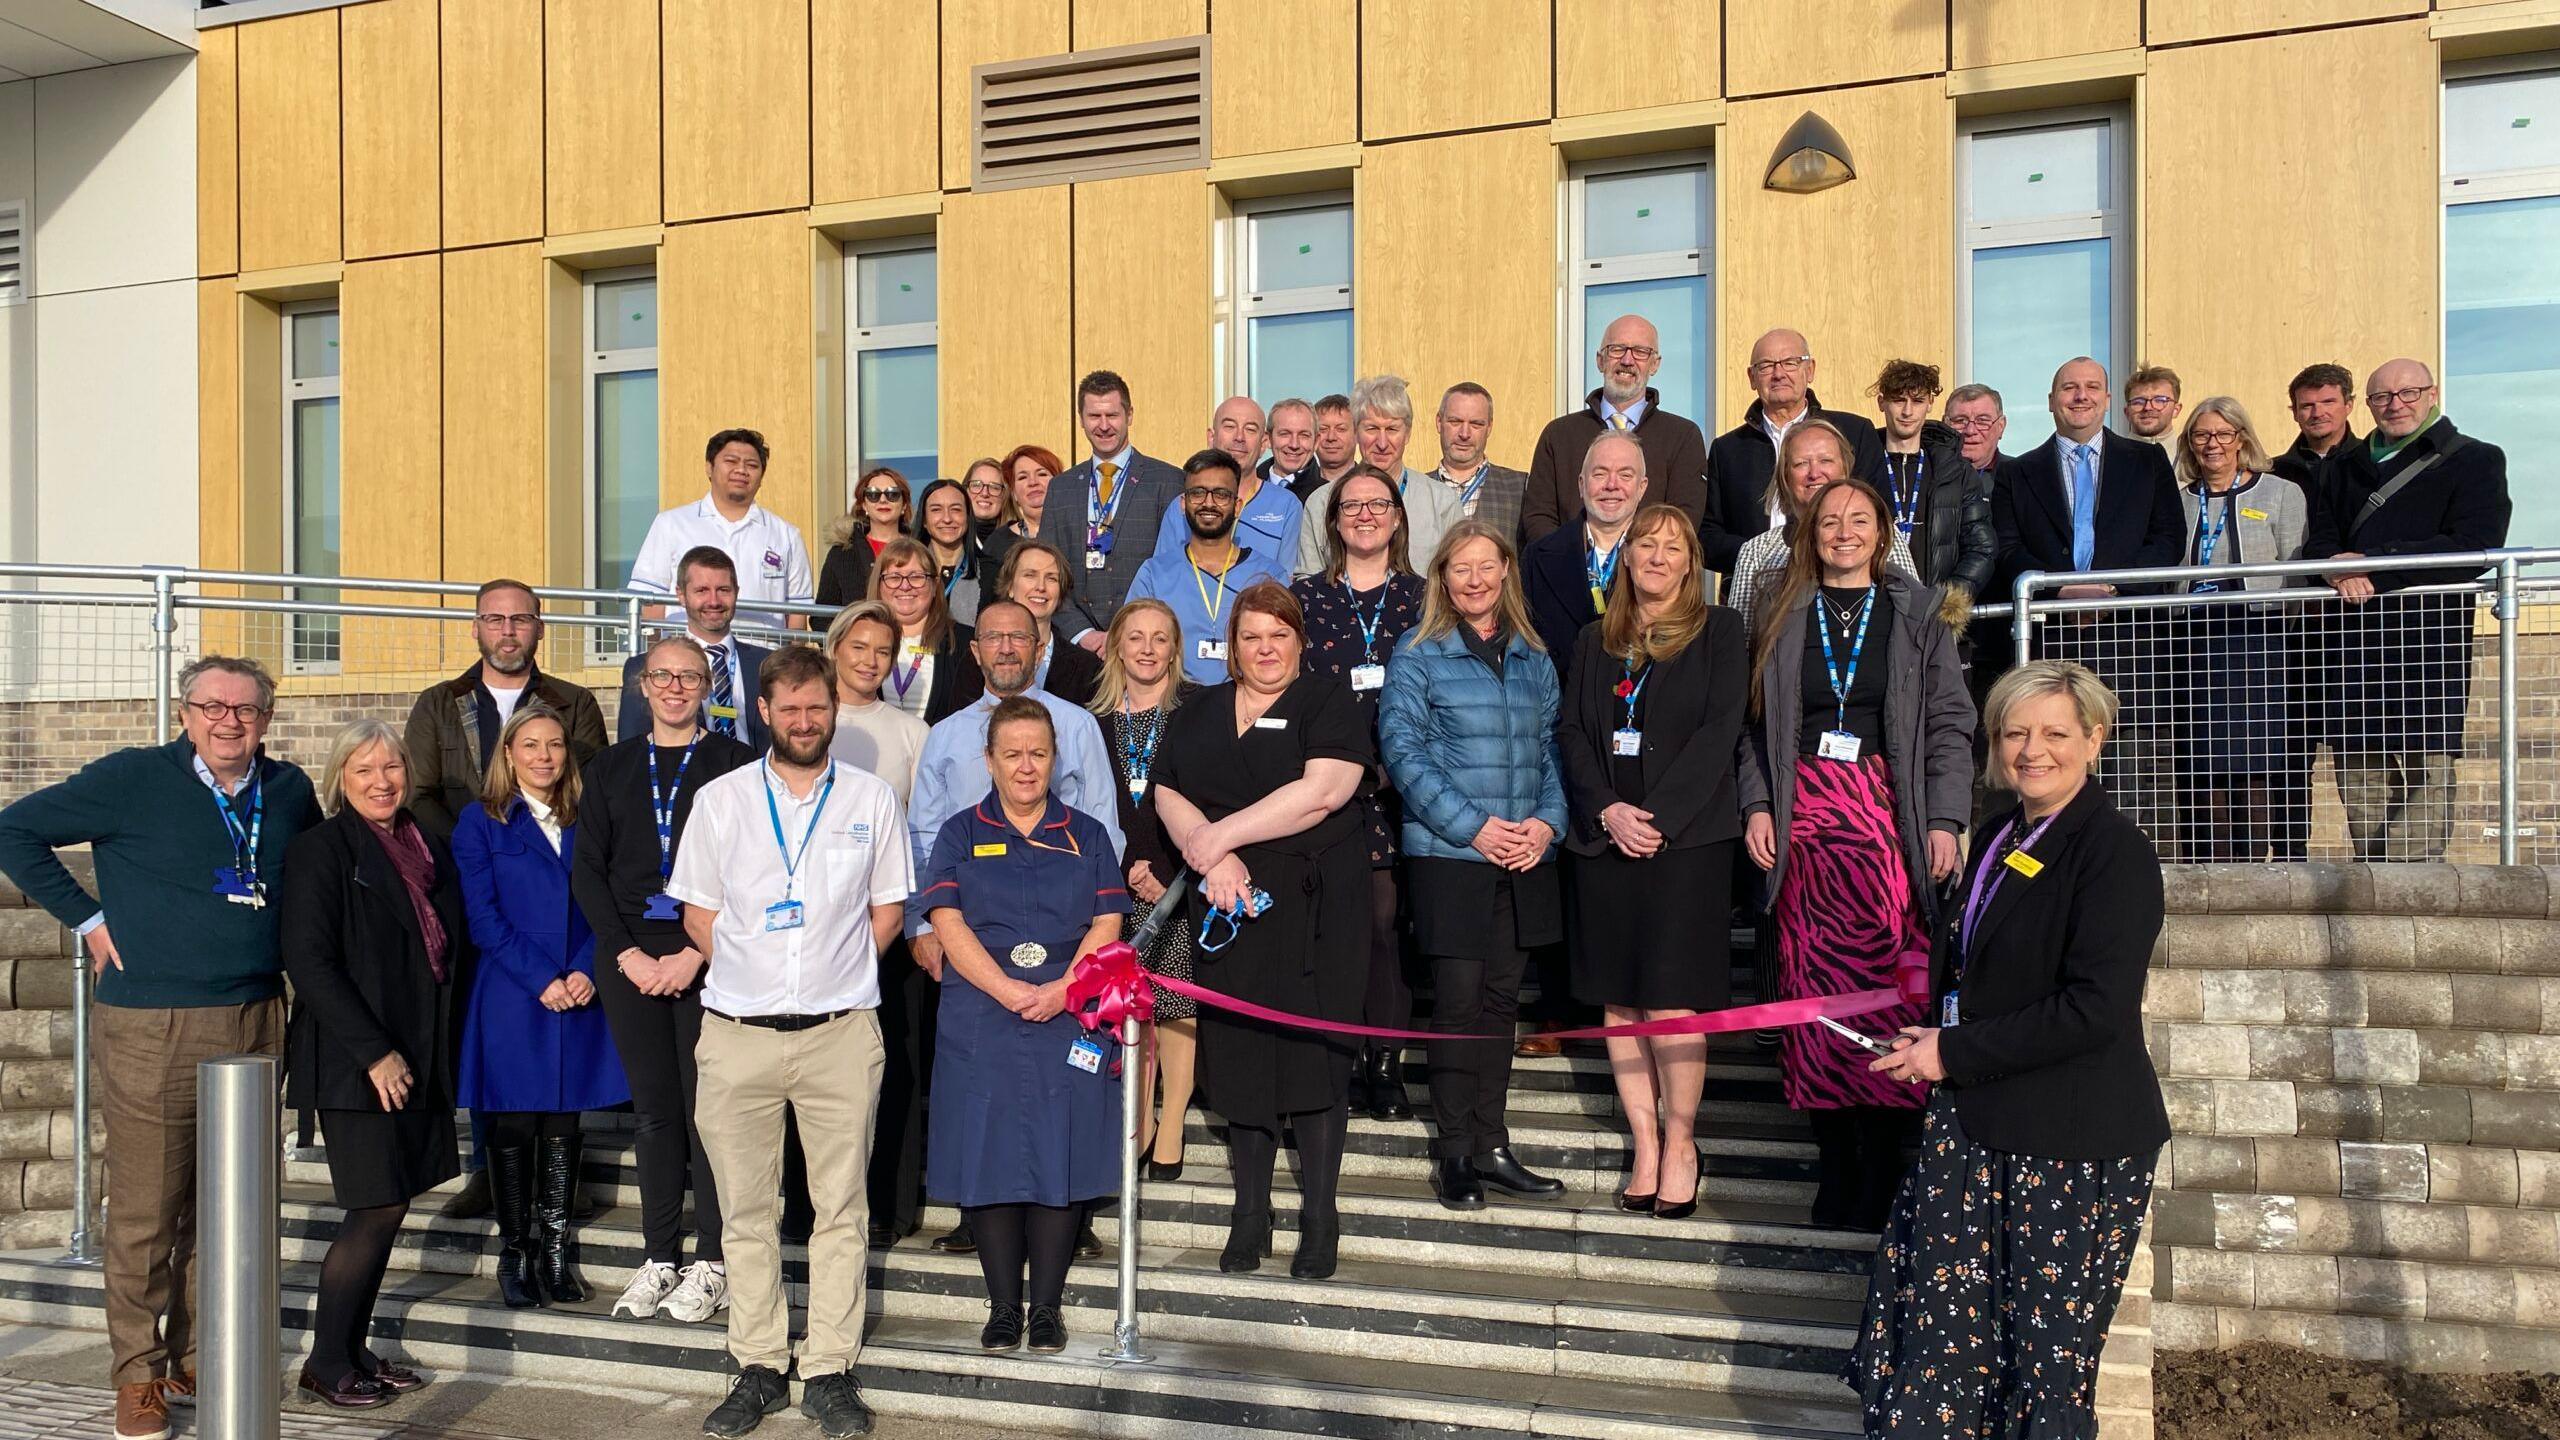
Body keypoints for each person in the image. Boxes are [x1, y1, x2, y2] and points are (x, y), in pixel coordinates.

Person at [0, 656, 321, 1440]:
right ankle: (137, 1377)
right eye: (210, 707)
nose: (227, 721)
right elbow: (14, 831)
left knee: (230, 1209)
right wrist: (87, 919)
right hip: (153, 1022)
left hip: (255, 1015)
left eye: (244, 710)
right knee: (147, 1210)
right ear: (185, 714)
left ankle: (204, 1357)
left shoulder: (288, 793)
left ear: (266, 719)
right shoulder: (131, 779)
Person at [1854, 661, 2166, 1440]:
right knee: (1943, 1336)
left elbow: (2094, 1011)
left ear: (2094, 738)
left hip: (2064, 1141)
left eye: (2055, 733)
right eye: (2015, 733)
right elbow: (1976, 965)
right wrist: (1933, 1035)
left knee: (2038, 1359)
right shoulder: (1998, 829)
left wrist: (1953, 1053)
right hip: (1976, 1122)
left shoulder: (2114, 853)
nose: (2033, 750)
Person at [667, 645, 911, 1440]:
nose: (805, 721)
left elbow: (887, 913)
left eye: (818, 707)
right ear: (763, 711)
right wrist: (763, 969)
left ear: (834, 709)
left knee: (841, 1206)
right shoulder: (722, 800)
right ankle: (760, 1364)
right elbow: (698, 913)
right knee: (743, 1208)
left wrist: (830, 976)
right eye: (791, 708)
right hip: (737, 1034)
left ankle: (831, 1368)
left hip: (840, 1035)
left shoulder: (872, 799)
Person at [1739, 479, 1973, 1231]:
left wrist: (1944, 818)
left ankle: (1890, 1165)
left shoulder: (1918, 614)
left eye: (1858, 521)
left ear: (1881, 534)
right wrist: (1756, 804)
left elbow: (1947, 725)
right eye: (1829, 522)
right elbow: (1750, 731)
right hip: (1802, 829)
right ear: (1809, 534)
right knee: (1813, 997)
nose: (1842, 532)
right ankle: (1837, 1163)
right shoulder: (1779, 613)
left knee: (1890, 990)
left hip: (1886, 827)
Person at [1152, 582, 1372, 1279]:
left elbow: (1324, 791)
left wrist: (1220, 840)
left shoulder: (1328, 701)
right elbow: (1167, 789)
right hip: (1225, 906)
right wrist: (1214, 856)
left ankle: (1319, 1216)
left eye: (1279, 635)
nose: (1266, 648)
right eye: (1251, 637)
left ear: (1300, 641)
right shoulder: (1201, 709)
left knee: (1314, 1057)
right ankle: (1250, 1212)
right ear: (1232, 648)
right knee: (1241, 1056)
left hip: (1314, 907)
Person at [904, 598, 1126, 1258]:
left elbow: (1101, 825)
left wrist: (1087, 956)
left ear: (1040, 648)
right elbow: (924, 831)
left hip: (1067, 947)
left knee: (1066, 1091)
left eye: (1018, 638)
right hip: (973, 947)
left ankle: (1070, 1213)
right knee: (983, 1089)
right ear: (975, 651)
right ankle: (980, 1214)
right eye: (993, 637)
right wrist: (923, 925)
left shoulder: (1078, 724)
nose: (1005, 647)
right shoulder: (945, 734)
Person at [918, 697, 1130, 1354]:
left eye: (1038, 752)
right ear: (989, 760)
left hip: (1068, 1013)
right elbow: (946, 924)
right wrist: (1009, 989)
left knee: (1058, 1153)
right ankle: (1003, 1308)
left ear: (1054, 756)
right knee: (988, 1154)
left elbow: (1106, 922)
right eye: (1012, 753)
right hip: (983, 1013)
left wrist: (1064, 989)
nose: (1026, 766)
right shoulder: (958, 832)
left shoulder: (1087, 835)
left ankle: (1047, 1310)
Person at [1555, 505, 1747, 1223]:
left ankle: (1681, 1142)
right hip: (1605, 841)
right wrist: (1608, 811)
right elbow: (1572, 732)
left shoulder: (1720, 631)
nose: (1658, 557)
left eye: (1673, 547)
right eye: (1645, 545)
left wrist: (1657, 820)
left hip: (1685, 845)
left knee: (1669, 999)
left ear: (1692, 560)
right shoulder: (1592, 638)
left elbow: (1720, 729)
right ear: (1625, 558)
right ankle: (1641, 1140)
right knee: (1619, 999)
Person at [1380, 520, 1570, 1212]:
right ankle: (1455, 1151)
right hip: (1452, 858)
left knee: (1499, 1007)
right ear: (1442, 579)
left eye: (1486, 567)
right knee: (1459, 1006)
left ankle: (1493, 1142)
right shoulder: (1420, 653)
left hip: (1522, 860)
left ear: (1506, 573)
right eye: (1460, 568)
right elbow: (1403, 754)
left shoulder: (1533, 656)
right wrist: (1475, 827)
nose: (1475, 580)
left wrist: (1547, 826)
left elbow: (1553, 752)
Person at [277, 721, 462, 1409]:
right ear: (340, 780)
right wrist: (374, 1052)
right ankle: (326, 1362)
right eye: (364, 770)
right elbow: (311, 962)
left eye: (391, 768)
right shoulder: (322, 851)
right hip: (359, 1061)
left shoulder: (424, 846)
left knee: (392, 1204)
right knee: (373, 1205)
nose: (382, 781)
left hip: (415, 1051)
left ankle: (354, 1350)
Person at [574, 636, 757, 1322]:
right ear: (642, 686)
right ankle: (659, 1256)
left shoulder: (737, 764)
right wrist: (625, 955)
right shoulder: (611, 766)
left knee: (707, 1112)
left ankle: (712, 1259)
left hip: (708, 957)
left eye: (689, 676)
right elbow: (589, 870)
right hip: (629, 960)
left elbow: (750, 871)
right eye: (663, 676)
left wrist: (693, 953)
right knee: (653, 1111)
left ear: (708, 685)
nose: (676, 687)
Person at [450, 707, 630, 1310]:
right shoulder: (481, 823)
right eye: (531, 745)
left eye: (555, 744)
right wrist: (541, 978)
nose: (545, 756)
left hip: (579, 985)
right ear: (508, 753)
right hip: (513, 989)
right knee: (513, 1120)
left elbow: (606, 901)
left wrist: (584, 967)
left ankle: (554, 1254)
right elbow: (483, 918)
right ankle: (514, 1252)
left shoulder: (588, 818)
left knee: (563, 1121)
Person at [2305, 358, 2512, 861]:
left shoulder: (2475, 460)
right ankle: (2375, 881)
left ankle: (2415, 884)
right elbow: (2321, 538)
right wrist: (2338, 571)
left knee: (2428, 767)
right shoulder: (2345, 466)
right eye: (2382, 397)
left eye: (2408, 393)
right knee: (2359, 769)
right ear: (2367, 404)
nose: (2395, 404)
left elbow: (2473, 545)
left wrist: (2372, 566)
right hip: (2350, 643)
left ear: (2432, 393)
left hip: (2428, 642)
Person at [1289, 466, 1426, 1120]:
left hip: (1405, 791)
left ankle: (1386, 1062)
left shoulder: (1427, 599)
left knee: (1385, 929)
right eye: (1352, 505)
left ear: (1397, 517)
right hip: (1326, 788)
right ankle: (1339, 1055)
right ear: (1334, 520)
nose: (1365, 515)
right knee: (1334, 930)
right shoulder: (1304, 598)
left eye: (1379, 504)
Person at [818, 602, 933, 1245]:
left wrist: (909, 923)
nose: (869, 660)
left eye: (883, 651)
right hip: (811, 934)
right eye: (858, 647)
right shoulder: (807, 723)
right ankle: (811, 1206)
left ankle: (889, 1205)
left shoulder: (911, 732)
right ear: (835, 648)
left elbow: (922, 832)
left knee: (895, 1065)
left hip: (887, 925)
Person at [2167, 398, 2311, 863]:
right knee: (2202, 758)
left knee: (2252, 758)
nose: (2212, 445)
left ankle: (2250, 861)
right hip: (2193, 636)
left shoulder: (2280, 492)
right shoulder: (2179, 498)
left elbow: (2296, 569)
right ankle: (2209, 859)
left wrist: (2276, 622)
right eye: (2201, 435)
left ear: (2242, 438)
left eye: (2222, 434)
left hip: (2255, 635)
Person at [1091, 600, 1203, 1176]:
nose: (1147, 648)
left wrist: (1164, 872)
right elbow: (1089, 805)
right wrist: (1128, 867)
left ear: (1174, 649)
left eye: (1160, 638)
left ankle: (1175, 1121)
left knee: (1176, 1006)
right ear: (1117, 646)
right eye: (1135, 637)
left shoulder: (1200, 712)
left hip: (1181, 883)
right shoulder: (1093, 721)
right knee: (1127, 1013)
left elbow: (1207, 798)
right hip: (1116, 888)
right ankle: (1139, 1118)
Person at [405, 578, 609, 840]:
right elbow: (417, 793)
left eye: (521, 619)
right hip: (458, 863)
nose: (507, 630)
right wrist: (468, 843)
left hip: (549, 861)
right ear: (476, 628)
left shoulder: (575, 703)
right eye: (494, 619)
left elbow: (588, 791)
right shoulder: (437, 703)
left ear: (540, 629)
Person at [1700, 328, 1886, 576]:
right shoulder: (1727, 449)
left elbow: (1881, 513)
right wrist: (1760, 556)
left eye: (1790, 363)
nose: (1779, 374)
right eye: (1766, 366)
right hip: (1756, 586)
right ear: (1752, 377)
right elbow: (1708, 537)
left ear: (1810, 370)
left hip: (1841, 580)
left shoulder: (1854, 432)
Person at [1523, 315, 1711, 541]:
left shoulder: (1682, 437)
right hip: (1569, 572)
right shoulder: (1559, 435)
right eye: (1617, 349)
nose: (1627, 360)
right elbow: (1538, 517)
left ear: (1655, 364)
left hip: (1647, 573)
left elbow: (1683, 520)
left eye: (1641, 351)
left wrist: (1635, 562)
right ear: (1600, 360)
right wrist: (1574, 561)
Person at [1723, 421, 1922, 627]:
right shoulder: (1757, 553)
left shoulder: (1880, 536)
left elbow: (1915, 620)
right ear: (1785, 476)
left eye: (1825, 460)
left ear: (1845, 469)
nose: (1814, 473)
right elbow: (1741, 642)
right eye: (1801, 463)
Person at [1038, 371, 1184, 647]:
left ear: (1129, 415)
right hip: (1079, 646)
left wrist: (1135, 631)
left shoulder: (1167, 481)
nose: (1104, 426)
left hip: (1146, 644)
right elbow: (1048, 570)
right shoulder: (1061, 488)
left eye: (1112, 415)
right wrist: (1083, 634)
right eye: (1094, 416)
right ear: (1081, 419)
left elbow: (1175, 570)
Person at [1130, 450, 1293, 684]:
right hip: (1174, 706)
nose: (1208, 503)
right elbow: (1131, 647)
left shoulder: (1268, 576)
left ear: (1237, 506)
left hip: (1246, 703)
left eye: (1221, 495)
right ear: (1183, 503)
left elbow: (1284, 652)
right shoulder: (1154, 574)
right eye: (1197, 493)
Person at [630, 428, 815, 631]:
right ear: (709, 468)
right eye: (731, 462)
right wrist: (658, 657)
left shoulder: (787, 535)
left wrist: (789, 662)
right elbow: (650, 601)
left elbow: (797, 614)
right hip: (688, 655)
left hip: (763, 658)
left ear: (762, 476)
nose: (741, 470)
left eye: (752, 465)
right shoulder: (671, 523)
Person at [1296, 375, 1465, 578]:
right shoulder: (1321, 503)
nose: (1382, 442)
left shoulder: (1441, 502)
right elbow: (1308, 582)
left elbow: (1458, 576)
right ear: (1356, 432)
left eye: (1392, 429)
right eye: (1372, 429)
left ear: (1408, 434)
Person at [1870, 360, 1996, 623]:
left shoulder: (1957, 472)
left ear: (1930, 404)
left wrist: (1947, 601)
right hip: (1875, 613)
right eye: (1898, 400)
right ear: (1882, 403)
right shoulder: (1861, 464)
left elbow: (1981, 547)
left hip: (1935, 619)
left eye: (1917, 401)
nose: (1907, 411)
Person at [618, 547, 772, 749]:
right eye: (702, 591)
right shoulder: (644, 667)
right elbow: (631, 748)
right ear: (681, 596)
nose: (714, 601)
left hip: (754, 774)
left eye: (723, 590)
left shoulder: (768, 665)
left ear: (737, 593)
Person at [1522, 432, 1650, 672]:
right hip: (1559, 700)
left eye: (1625, 475)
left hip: (1635, 700)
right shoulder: (1537, 557)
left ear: (1642, 488)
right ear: (1581, 485)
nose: (1612, 485)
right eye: (1600, 474)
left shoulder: (1663, 561)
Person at [1158, 395, 1304, 565]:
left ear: (1264, 443)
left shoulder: (1286, 506)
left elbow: (1284, 584)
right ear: (1211, 437)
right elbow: (1162, 575)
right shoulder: (1182, 506)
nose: (1239, 437)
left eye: (1250, 429)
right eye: (1229, 426)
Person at [869, 536, 985, 725]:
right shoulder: (862, 641)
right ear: (879, 585)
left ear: (934, 585)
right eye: (894, 577)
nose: (905, 586)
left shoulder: (964, 642)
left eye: (916, 577)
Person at [993, 539, 1103, 704]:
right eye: (1030, 575)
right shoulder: (984, 655)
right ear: (1010, 586)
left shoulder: (1087, 667)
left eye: (1051, 578)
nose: (1041, 587)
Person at [1423, 382, 1529, 542]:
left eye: (1476, 424)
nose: (1464, 434)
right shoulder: (1414, 490)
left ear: (1489, 427)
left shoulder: (1520, 488)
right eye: (1455, 422)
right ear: (1439, 422)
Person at [818, 467, 915, 610]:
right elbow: (821, 615)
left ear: (904, 505)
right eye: (873, 495)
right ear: (864, 505)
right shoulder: (841, 553)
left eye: (892, 494)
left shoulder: (919, 550)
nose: (883, 500)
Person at [2273, 361, 2360, 487]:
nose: (2317, 413)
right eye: (2307, 406)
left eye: (2328, 402)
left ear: (2349, 405)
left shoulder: (2372, 463)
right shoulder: (2274, 474)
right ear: (2295, 413)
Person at [916, 478, 986, 627]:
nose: (947, 518)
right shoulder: (906, 571)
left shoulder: (991, 572)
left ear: (968, 517)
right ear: (924, 521)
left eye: (956, 509)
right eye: (936, 510)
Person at [959, 457, 1023, 578]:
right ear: (965, 490)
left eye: (994, 487)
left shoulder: (1020, 538)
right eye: (976, 485)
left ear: (1005, 495)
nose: (984, 493)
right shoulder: (955, 540)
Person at [1943, 383, 2010, 481]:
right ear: (1945, 425)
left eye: (1982, 421)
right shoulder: (1926, 475)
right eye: (1960, 420)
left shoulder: (2019, 476)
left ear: (2001, 426)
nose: (1970, 431)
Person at [1261, 397, 1325, 498]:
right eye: (1285, 434)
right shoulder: (1243, 489)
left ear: (1316, 442)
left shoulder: (1329, 497)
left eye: (1303, 435)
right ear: (1268, 439)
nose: (1294, 445)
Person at [1004, 443, 1062, 541]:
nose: (1032, 482)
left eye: (1042, 474)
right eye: (1022, 477)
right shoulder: (997, 542)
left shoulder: (1077, 533)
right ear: (1014, 493)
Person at [2122, 363, 2184, 445]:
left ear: (2176, 410)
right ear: (2127, 412)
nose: (2148, 407)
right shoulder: (2109, 455)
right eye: (2139, 401)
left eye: (2159, 400)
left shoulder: (2192, 456)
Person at [1310, 393, 1359, 494]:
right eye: (1323, 429)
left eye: (1340, 429)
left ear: (1357, 435)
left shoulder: (1373, 484)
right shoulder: (1298, 491)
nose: (1331, 437)